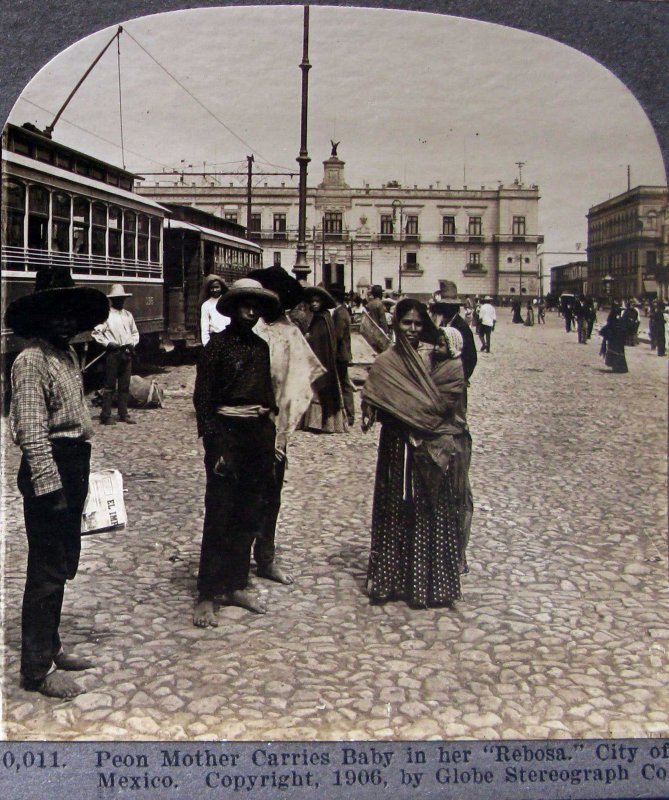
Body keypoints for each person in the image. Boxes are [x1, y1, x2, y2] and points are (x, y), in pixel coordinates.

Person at [6, 267, 109, 698]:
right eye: (55, 313)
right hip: (50, 468)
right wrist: (52, 491)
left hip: (73, 463)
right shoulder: (31, 361)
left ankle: (52, 646)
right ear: (40, 318)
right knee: (46, 569)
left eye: (70, 313)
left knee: (64, 560)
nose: (65, 321)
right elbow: (31, 431)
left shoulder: (66, 355)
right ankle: (36, 668)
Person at [361, 299, 462, 608]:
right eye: (407, 323)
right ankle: (389, 580)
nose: (413, 329)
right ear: (396, 324)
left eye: (418, 324)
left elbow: (447, 396)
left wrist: (426, 418)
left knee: (427, 505)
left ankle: (427, 585)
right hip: (395, 445)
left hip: (427, 445)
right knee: (395, 504)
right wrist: (372, 405)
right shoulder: (385, 363)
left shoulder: (433, 357)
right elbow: (376, 399)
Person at [192, 278, 280, 624]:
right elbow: (203, 401)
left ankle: (236, 583)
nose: (251, 310)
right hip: (226, 435)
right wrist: (216, 448)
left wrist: (270, 438)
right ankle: (207, 593)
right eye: (245, 303)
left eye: (256, 305)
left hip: (257, 436)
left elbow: (267, 396)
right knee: (220, 513)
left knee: (250, 512)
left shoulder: (261, 347)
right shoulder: (216, 347)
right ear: (232, 307)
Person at [249, 266, 325, 584]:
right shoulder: (248, 327)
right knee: (242, 496)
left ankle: (265, 557)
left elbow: (298, 383)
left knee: (271, 495)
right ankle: (237, 562)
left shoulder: (290, 333)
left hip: (275, 427)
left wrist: (282, 432)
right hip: (243, 426)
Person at [431, 326, 474, 575]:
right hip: (444, 438)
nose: (437, 349)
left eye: (442, 345)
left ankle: (458, 556)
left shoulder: (454, 375)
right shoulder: (438, 369)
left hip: (455, 442)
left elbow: (448, 411)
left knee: (458, 498)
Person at [91, 284, 140, 425]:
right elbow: (96, 333)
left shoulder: (128, 315)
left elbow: (135, 333)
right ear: (112, 300)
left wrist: (132, 343)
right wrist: (107, 343)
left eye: (122, 298)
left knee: (124, 385)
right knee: (110, 385)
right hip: (113, 353)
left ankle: (123, 413)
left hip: (126, 352)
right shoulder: (107, 316)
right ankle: (106, 415)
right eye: (117, 299)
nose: (120, 301)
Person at [300, 286, 347, 433]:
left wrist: (308, 337)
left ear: (322, 303)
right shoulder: (319, 318)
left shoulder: (322, 318)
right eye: (312, 301)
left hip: (321, 360)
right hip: (319, 359)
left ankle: (320, 423)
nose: (314, 304)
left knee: (320, 390)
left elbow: (320, 340)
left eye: (317, 301)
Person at [330, 284, 356, 427]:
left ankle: (348, 414)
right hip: (343, 354)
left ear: (335, 298)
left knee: (343, 384)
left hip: (340, 354)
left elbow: (338, 335)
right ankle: (348, 414)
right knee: (345, 383)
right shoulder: (343, 311)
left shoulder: (339, 313)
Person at [199, 274, 230, 345]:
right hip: (215, 337)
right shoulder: (206, 305)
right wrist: (206, 343)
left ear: (221, 287)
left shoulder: (227, 301)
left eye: (217, 287)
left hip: (228, 336)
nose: (214, 290)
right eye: (212, 288)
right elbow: (204, 325)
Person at [599, 305, 628, 373]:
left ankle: (617, 366)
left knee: (616, 352)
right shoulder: (616, 320)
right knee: (616, 352)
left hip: (615, 339)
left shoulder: (618, 320)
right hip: (615, 339)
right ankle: (617, 366)